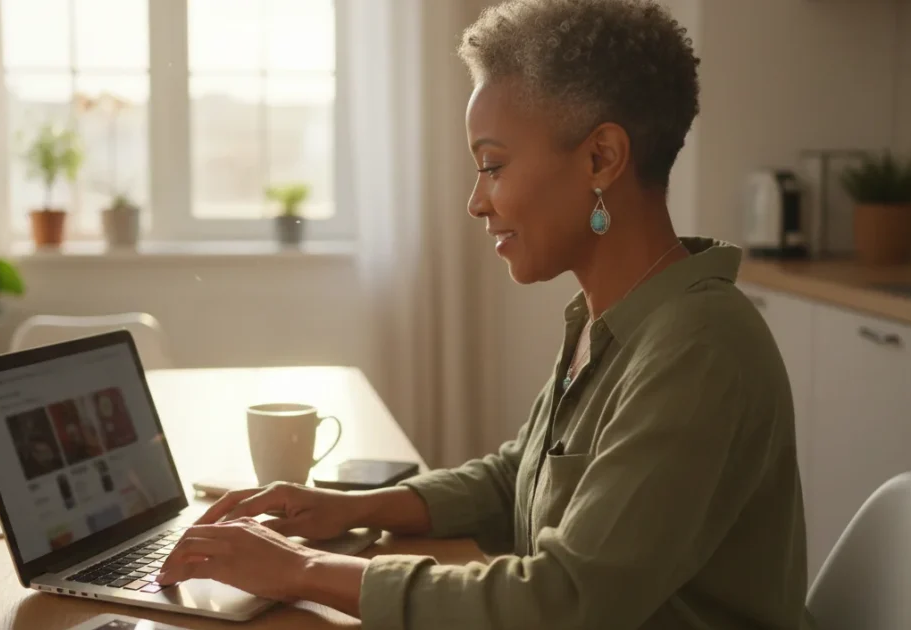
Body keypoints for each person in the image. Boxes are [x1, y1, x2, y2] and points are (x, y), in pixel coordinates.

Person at [158, 0, 811, 627]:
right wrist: (344, 508)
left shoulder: (698, 349)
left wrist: (301, 570)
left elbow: (562, 601)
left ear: (601, 158)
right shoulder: (610, 318)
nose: (477, 201)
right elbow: (515, 481)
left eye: (493, 165)